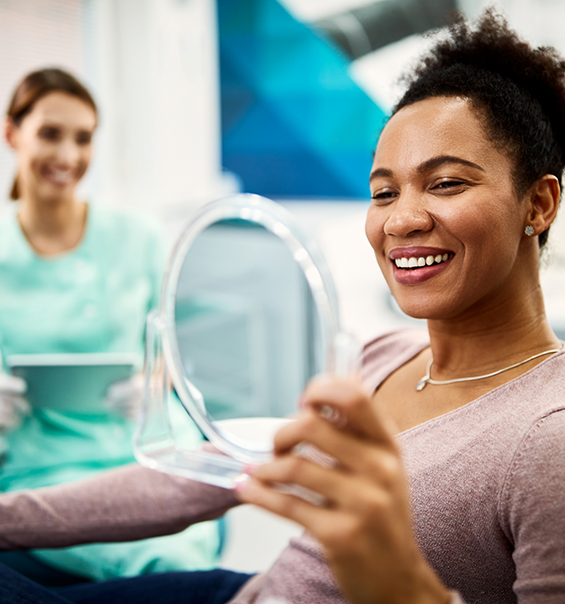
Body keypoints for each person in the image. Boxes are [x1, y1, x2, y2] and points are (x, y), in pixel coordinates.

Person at [1, 8, 565, 603]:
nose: (402, 219)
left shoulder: (547, 440)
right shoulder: (380, 361)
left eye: (447, 182)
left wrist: (400, 585)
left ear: (538, 203)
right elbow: (195, 483)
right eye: (383, 192)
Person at [0, 68, 221, 585]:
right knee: (154, 570)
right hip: (38, 461)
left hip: (143, 445)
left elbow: (162, 346)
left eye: (83, 138)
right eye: (51, 134)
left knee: (183, 560)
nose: (69, 156)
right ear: (11, 133)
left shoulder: (137, 236)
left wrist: (153, 383)